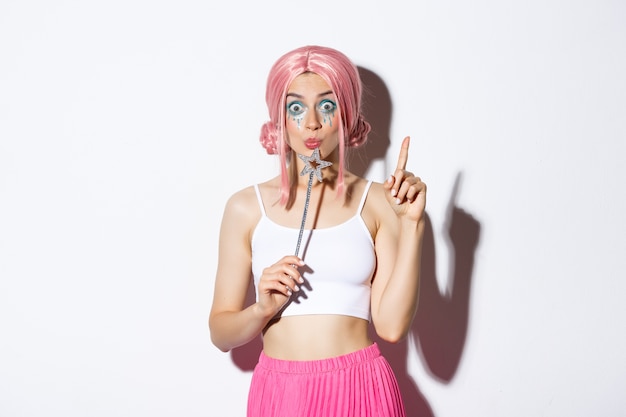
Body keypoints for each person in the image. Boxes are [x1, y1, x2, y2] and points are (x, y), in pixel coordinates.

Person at [208, 45, 426, 417]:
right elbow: (221, 333)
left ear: (348, 114)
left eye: (327, 106)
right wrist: (261, 310)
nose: (311, 123)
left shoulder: (377, 202)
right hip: (281, 393)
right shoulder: (246, 207)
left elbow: (391, 327)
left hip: (362, 388)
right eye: (296, 107)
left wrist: (411, 224)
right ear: (279, 118)